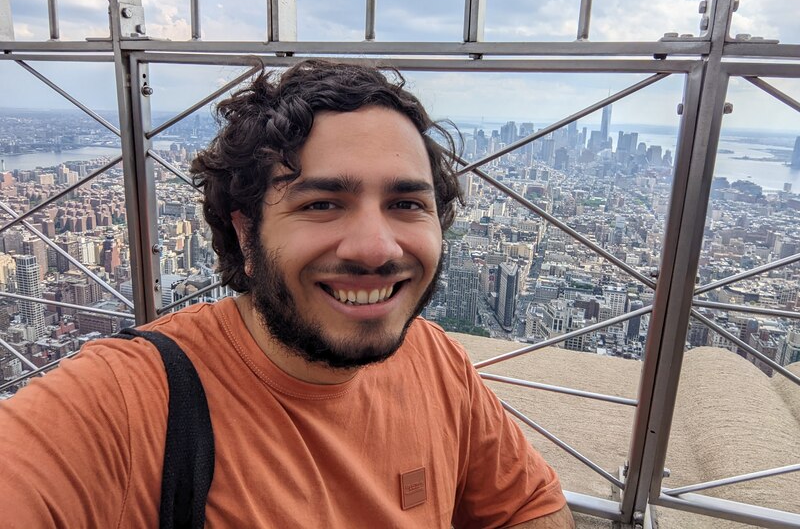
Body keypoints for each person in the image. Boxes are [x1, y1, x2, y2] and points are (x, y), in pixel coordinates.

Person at [0, 60, 573, 528]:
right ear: (245, 233)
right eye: (321, 204)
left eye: (406, 204)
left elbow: (527, 507)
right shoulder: (132, 400)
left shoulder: (437, 360)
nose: (377, 248)